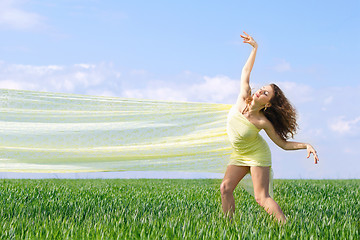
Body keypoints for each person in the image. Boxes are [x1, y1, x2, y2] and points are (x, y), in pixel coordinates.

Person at [220, 32, 319, 224]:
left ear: (268, 104)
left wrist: (306, 145)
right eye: (262, 88)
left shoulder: (262, 121)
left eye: (265, 93)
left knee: (261, 197)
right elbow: (245, 72)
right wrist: (255, 48)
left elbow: (282, 144)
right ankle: (228, 227)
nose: (260, 91)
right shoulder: (243, 96)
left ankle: (285, 227)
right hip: (240, 153)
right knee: (225, 188)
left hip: (257, 155)